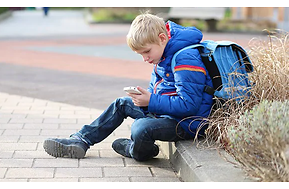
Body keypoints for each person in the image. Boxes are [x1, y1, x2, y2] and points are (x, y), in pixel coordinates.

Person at [43, 13, 213, 161]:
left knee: (141, 127)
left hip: (185, 123)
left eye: (146, 52)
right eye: (140, 55)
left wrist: (151, 101)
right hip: (166, 113)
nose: (145, 59)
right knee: (121, 103)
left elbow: (189, 105)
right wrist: (145, 99)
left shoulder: (185, 59)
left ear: (162, 38)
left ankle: (136, 150)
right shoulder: (162, 53)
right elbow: (161, 91)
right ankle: (81, 140)